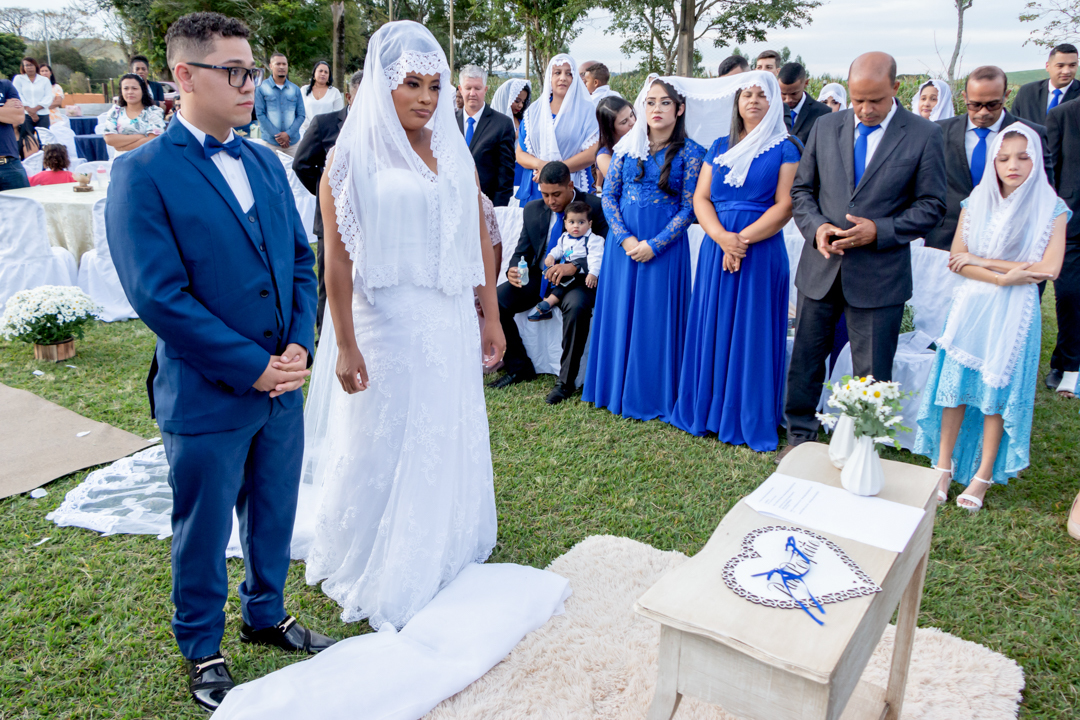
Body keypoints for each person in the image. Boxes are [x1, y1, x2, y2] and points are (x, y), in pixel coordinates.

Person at [105, 12, 331, 711]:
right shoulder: (141, 173)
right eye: (234, 71)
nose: (251, 84)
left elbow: (299, 257)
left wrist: (298, 344)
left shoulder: (264, 158)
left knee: (274, 508)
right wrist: (250, 365)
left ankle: (266, 612)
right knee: (200, 529)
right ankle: (202, 646)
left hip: (282, 384)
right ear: (183, 76)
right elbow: (159, 296)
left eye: (252, 70)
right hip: (206, 392)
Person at [306, 19, 506, 629]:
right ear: (381, 88)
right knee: (383, 435)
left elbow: (476, 237)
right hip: (384, 319)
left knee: (446, 425)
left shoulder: (454, 155)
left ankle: (445, 536)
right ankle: (370, 547)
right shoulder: (349, 158)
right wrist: (344, 343)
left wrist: (490, 315)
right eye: (411, 84)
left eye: (435, 86)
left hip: (447, 316)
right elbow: (336, 259)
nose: (425, 97)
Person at [781, 52, 947, 462]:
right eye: (858, 100)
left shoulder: (924, 134)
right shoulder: (825, 125)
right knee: (805, 358)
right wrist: (817, 227)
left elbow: (932, 205)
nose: (866, 110)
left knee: (872, 369)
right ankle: (799, 436)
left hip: (879, 273)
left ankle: (866, 448)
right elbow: (802, 191)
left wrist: (881, 231)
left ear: (896, 88)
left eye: (875, 100)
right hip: (821, 267)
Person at [914, 125, 1068, 511]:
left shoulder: (1052, 207)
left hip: (1015, 313)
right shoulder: (975, 201)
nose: (1012, 165)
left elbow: (1049, 267)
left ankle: (982, 476)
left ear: (1036, 159)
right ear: (993, 163)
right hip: (972, 306)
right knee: (953, 388)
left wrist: (987, 263)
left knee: (996, 394)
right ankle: (943, 466)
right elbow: (956, 260)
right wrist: (1007, 276)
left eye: (1022, 156)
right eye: (1003, 158)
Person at [670, 71, 799, 450]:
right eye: (747, 94)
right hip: (717, 246)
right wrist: (723, 238)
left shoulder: (786, 146)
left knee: (751, 330)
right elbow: (700, 198)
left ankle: (745, 415)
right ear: (736, 102)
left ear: (774, 102)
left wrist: (741, 241)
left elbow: (786, 204)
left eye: (762, 95)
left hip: (759, 249)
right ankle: (706, 410)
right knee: (713, 323)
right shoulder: (718, 145)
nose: (754, 100)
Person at [583, 77, 705, 421]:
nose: (656, 109)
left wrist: (655, 244)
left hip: (665, 250)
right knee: (620, 311)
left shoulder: (694, 153)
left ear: (679, 109)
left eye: (664, 102)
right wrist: (625, 238)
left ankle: (651, 393)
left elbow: (690, 207)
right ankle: (613, 388)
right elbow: (608, 196)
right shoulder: (625, 148)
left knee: (656, 318)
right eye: (650, 102)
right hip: (622, 247)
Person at [492, 161, 609, 404]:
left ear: (570, 185)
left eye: (556, 194)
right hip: (540, 277)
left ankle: (565, 383)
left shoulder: (596, 206)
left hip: (579, 280)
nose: (550, 201)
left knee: (577, 308)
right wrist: (513, 269)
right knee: (498, 300)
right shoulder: (533, 209)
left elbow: (607, 252)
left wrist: (575, 266)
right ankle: (518, 366)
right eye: (545, 194)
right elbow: (521, 251)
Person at [926, 66, 1054, 251]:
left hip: (1009, 239)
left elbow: (1044, 188)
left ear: (1006, 96)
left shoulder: (1031, 134)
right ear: (964, 98)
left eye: (992, 104)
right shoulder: (938, 132)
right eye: (975, 105)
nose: (983, 112)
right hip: (945, 238)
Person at [292, 69, 363, 337]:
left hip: (368, 222)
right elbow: (302, 164)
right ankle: (325, 336)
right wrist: (328, 198)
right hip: (333, 222)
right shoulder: (325, 124)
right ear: (348, 96)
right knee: (329, 281)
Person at [514, 54, 600, 204]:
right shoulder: (533, 112)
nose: (563, 78)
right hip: (537, 184)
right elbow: (520, 153)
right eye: (557, 72)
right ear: (549, 77)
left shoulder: (586, 111)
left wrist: (556, 170)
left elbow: (592, 152)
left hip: (571, 184)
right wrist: (542, 166)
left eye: (569, 73)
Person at [1046, 97, 1080, 398]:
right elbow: (1051, 170)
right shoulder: (1062, 115)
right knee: (1069, 294)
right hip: (1072, 220)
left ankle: (1070, 363)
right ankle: (1068, 365)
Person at [529, 200, 604, 320]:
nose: (576, 226)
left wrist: (593, 273)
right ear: (565, 223)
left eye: (581, 222)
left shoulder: (594, 240)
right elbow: (558, 249)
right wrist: (551, 256)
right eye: (572, 222)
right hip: (566, 270)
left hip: (583, 274)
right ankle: (545, 304)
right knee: (553, 277)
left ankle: (548, 303)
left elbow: (596, 258)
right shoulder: (564, 237)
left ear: (589, 224)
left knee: (567, 283)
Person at [457, 64, 516, 206]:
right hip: (453, 205)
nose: (472, 93)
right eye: (468, 88)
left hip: (486, 206)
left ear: (485, 90)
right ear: (460, 89)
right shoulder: (449, 122)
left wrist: (496, 211)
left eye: (477, 88)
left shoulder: (502, 124)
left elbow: (506, 175)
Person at [1011, 43, 1080, 124]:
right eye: (1060, 66)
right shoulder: (1027, 92)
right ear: (1048, 66)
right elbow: (1013, 126)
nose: (1066, 71)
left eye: (1072, 65)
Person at [101, 74, 166, 155]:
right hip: (121, 162)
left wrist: (122, 148)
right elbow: (109, 139)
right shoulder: (115, 111)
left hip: (147, 159)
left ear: (143, 90)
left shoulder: (154, 111)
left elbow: (153, 140)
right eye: (126, 88)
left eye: (134, 88)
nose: (130, 92)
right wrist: (140, 137)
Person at [255, 51, 305, 156]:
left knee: (295, 172)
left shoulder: (295, 89)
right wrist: (278, 136)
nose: (281, 67)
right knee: (270, 172)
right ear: (271, 66)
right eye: (278, 64)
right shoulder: (261, 88)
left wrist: (288, 134)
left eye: (284, 64)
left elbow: (301, 115)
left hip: (293, 143)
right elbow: (260, 114)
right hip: (270, 143)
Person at [491, 78, 531, 191]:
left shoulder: (522, 119)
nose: (520, 106)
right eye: (517, 101)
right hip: (503, 170)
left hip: (522, 169)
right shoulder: (494, 121)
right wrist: (517, 134)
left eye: (523, 102)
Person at [778, 62, 831, 145]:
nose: (788, 99)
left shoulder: (823, 113)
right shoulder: (771, 111)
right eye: (783, 94)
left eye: (794, 94)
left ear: (806, 83)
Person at [13, 57, 52, 157]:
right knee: (26, 139)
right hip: (25, 114)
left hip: (42, 114)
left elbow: (48, 96)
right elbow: (17, 94)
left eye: (31, 65)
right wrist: (29, 110)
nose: (29, 68)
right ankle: (25, 160)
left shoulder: (44, 80)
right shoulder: (19, 79)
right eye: (26, 65)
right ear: (23, 67)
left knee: (44, 139)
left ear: (36, 66)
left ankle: (46, 160)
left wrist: (35, 110)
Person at [594, 95, 636, 189]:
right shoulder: (604, 156)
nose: (632, 122)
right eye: (624, 122)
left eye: (631, 115)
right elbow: (623, 184)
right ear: (610, 129)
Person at [298, 60, 344, 140]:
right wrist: (312, 128)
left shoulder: (334, 92)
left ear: (329, 76)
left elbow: (338, 115)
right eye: (320, 71)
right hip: (306, 133)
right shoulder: (304, 90)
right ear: (314, 73)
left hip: (328, 134)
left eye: (326, 72)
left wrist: (323, 129)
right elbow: (300, 112)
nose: (323, 74)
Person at [0, 78, 28, 190]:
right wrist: (4, 109)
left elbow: (19, 117)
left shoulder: (5, 85)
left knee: (24, 205)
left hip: (10, 164)